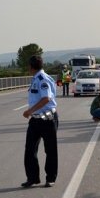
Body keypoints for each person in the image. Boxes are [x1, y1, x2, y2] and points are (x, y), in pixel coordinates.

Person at [21, 55, 58, 188]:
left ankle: (50, 178)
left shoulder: (43, 79)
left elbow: (46, 98)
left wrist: (29, 111)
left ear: (31, 67)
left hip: (47, 119)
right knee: (30, 150)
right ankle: (32, 178)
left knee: (50, 150)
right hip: (35, 120)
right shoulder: (36, 78)